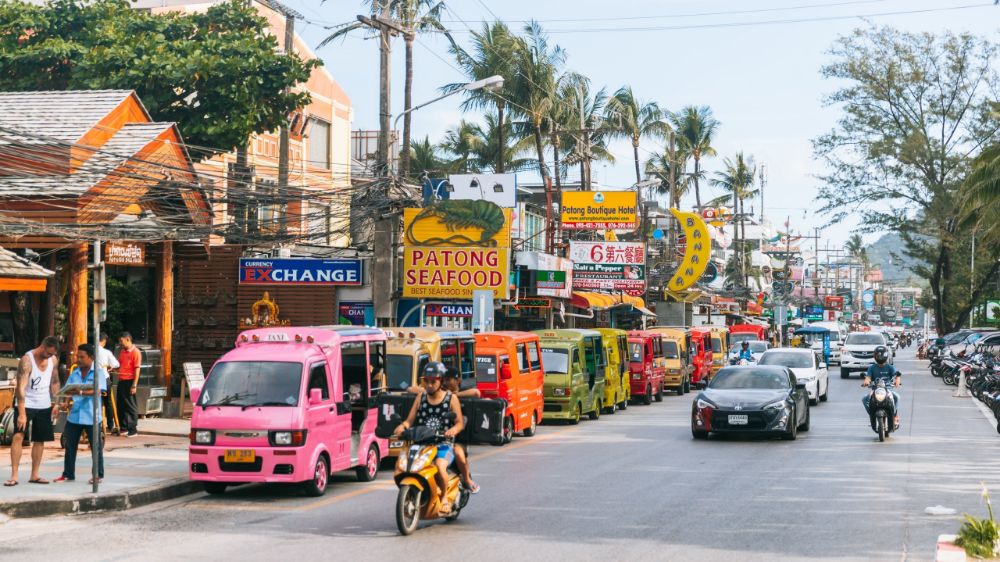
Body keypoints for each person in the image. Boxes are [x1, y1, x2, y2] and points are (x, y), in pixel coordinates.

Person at [394, 362, 464, 515]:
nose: (430, 385)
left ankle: (444, 498)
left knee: (439, 466)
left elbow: (459, 424)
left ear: (441, 381)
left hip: (443, 444)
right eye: (427, 381)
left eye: (433, 381)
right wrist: (402, 427)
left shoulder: (451, 399)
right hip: (421, 443)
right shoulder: (420, 397)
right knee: (408, 466)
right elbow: (409, 420)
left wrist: (452, 430)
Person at [407, 368, 480, 494]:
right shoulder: (434, 392)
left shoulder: (455, 395)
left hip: (457, 437)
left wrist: (453, 395)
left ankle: (467, 480)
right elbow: (410, 389)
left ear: (457, 381)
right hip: (434, 437)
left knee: (458, 454)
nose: (446, 383)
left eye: (448, 380)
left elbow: (476, 393)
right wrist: (429, 390)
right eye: (444, 380)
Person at [5, 336, 60, 487]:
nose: (49, 357)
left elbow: (55, 381)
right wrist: (22, 413)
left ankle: (34, 474)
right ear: (42, 347)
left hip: (44, 403)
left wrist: (56, 403)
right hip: (26, 403)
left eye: (51, 355)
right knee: (18, 436)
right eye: (47, 354)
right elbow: (20, 388)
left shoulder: (53, 360)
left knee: (40, 439)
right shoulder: (27, 360)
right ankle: (14, 475)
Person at [54, 344, 105, 484]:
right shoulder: (74, 373)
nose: (78, 359)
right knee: (70, 446)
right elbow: (68, 390)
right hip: (75, 415)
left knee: (96, 448)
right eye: (78, 356)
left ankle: (97, 475)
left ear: (91, 358)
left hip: (91, 416)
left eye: (82, 357)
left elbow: (98, 391)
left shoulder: (98, 373)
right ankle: (68, 474)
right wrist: (65, 401)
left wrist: (81, 392)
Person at [862, 345, 901, 429]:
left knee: (897, 397)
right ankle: (872, 414)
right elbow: (868, 377)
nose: (880, 356)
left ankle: (894, 415)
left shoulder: (890, 367)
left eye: (882, 354)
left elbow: (896, 375)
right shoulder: (872, 368)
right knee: (864, 399)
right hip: (875, 390)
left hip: (888, 390)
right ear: (875, 356)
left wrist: (897, 380)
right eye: (878, 355)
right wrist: (866, 381)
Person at [115, 332, 141, 437]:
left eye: (121, 341)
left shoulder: (136, 352)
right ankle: (124, 427)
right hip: (121, 380)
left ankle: (133, 429)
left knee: (131, 406)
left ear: (127, 339)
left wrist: (134, 385)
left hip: (130, 380)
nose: (120, 343)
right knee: (121, 405)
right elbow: (119, 364)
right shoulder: (122, 352)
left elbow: (137, 369)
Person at [96, 333, 120, 435]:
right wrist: (108, 367)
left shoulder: (89, 350)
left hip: (91, 379)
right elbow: (116, 364)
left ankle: (96, 424)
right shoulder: (106, 352)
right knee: (108, 402)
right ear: (104, 341)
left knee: (94, 402)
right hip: (103, 378)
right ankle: (110, 425)